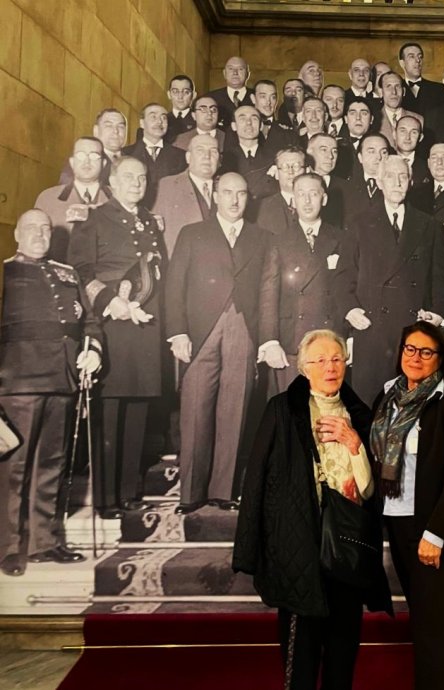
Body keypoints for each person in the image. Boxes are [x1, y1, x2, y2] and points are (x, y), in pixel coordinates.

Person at [233, 329, 392, 689]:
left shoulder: (360, 415)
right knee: (300, 663)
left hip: (346, 551)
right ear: (304, 368)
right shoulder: (281, 410)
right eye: (320, 360)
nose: (329, 367)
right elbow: (256, 479)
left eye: (336, 359)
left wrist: (354, 444)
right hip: (298, 549)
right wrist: (251, 549)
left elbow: (371, 490)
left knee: (341, 657)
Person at [371, 321, 444, 690]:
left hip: (432, 528)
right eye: (410, 349)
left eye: (426, 351)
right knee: (429, 623)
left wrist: (435, 534)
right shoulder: (385, 400)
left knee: (430, 627)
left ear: (440, 359)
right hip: (396, 522)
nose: (416, 357)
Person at [0, 210, 102, 577]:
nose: (40, 235)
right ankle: (10, 548)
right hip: (17, 383)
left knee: (51, 466)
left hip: (62, 380)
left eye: (45, 228)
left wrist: (93, 349)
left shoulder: (67, 272)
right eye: (32, 228)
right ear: (16, 234)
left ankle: (45, 542)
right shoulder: (7, 273)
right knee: (15, 468)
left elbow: (89, 321)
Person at [68, 156, 167, 519]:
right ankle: (106, 497)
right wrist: (111, 301)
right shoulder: (93, 219)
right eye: (128, 177)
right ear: (112, 181)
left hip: (144, 327)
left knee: (138, 408)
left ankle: (128, 491)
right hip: (109, 325)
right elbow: (80, 271)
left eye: (142, 177)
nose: (137, 183)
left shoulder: (149, 224)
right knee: (110, 410)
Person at [165, 172, 269, 514]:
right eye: (228, 193)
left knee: (235, 408)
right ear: (215, 196)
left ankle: (223, 491)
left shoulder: (262, 237)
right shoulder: (192, 233)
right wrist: (178, 332)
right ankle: (191, 493)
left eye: (241, 193)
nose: (235, 200)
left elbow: (268, 291)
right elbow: (174, 286)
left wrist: (263, 338)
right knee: (195, 409)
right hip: (200, 330)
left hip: (243, 327)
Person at [343, 155, 444, 403]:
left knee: (413, 410)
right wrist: (350, 310)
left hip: (414, 333)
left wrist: (438, 314)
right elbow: (343, 275)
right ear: (379, 181)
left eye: (403, 176)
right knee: (370, 409)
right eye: (390, 176)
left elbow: (441, 278)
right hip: (372, 331)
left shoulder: (430, 225)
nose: (397, 182)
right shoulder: (359, 223)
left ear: (410, 182)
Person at [260, 173, 351, 392]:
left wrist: (351, 338)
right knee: (292, 411)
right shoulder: (279, 241)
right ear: (293, 199)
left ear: (324, 199)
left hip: (331, 339)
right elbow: (268, 294)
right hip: (292, 340)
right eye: (301, 194)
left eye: (314, 194)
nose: (307, 201)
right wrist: (270, 341)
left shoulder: (342, 238)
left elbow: (350, 289)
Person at [35, 136, 112, 262]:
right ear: (72, 162)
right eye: (81, 155)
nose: (87, 162)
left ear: (103, 163)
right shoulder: (48, 199)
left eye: (94, 156)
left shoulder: (119, 198)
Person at [152, 133, 220, 258]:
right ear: (188, 157)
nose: (207, 156)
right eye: (200, 151)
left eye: (213, 152)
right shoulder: (167, 186)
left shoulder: (227, 187)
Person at [122, 103, 188, 207]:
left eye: (163, 117)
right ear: (142, 123)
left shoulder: (181, 156)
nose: (159, 121)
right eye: (153, 117)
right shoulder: (125, 154)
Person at [398, 42, 444, 117]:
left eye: (420, 56)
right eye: (411, 57)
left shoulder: (439, 89)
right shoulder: (396, 90)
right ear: (402, 63)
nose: (418, 60)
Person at [207, 56, 255, 129]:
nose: (235, 73)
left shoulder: (257, 98)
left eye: (240, 69)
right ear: (224, 73)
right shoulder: (211, 98)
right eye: (231, 69)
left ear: (248, 74)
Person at [165, 74, 197, 143]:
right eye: (175, 92)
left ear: (193, 95)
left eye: (186, 92)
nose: (180, 97)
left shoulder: (198, 119)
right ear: (169, 94)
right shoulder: (163, 120)